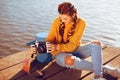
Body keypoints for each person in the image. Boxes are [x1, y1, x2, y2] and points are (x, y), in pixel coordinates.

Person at [31, 2, 120, 80]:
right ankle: (105, 69)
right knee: (70, 60)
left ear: (73, 15)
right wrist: (39, 47)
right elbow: (49, 39)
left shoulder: (81, 23)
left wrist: (57, 46)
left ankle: (98, 76)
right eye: (60, 17)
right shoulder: (57, 21)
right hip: (60, 54)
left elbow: (73, 45)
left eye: (65, 19)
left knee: (97, 44)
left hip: (76, 50)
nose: (62, 20)